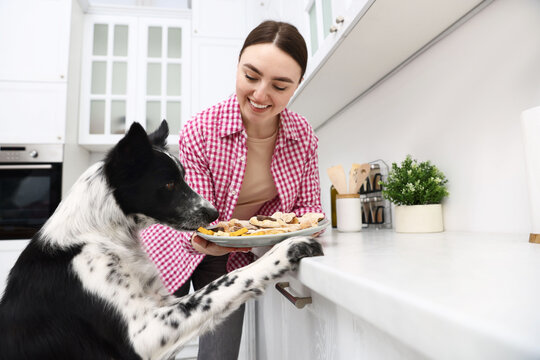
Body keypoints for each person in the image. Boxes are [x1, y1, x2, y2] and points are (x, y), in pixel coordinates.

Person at [141, 20, 323, 360]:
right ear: (238, 66)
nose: (260, 94)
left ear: (297, 86)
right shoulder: (201, 129)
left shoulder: (303, 137)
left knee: (219, 354)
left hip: (231, 254)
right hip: (176, 243)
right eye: (251, 76)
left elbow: (308, 212)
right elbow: (193, 212)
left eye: (280, 86)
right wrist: (203, 237)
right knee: (153, 348)